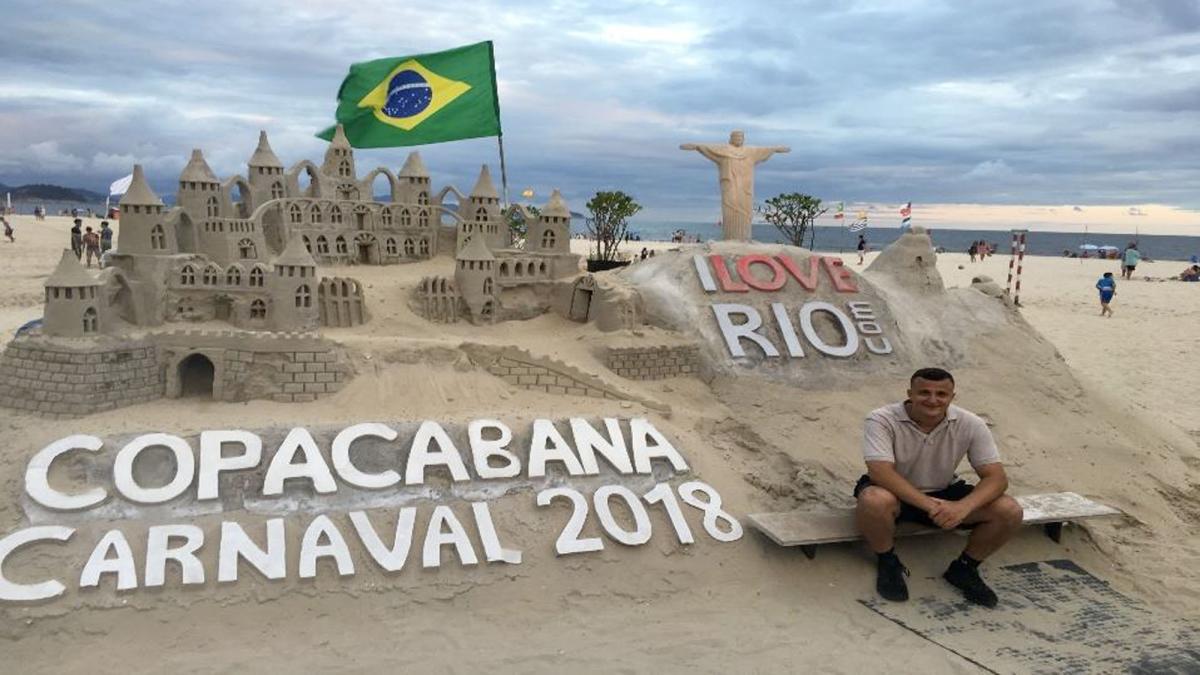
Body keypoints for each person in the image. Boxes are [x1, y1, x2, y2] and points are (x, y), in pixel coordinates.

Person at [855, 368, 1023, 607]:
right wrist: (933, 506)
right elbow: (880, 471)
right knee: (874, 499)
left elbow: (996, 478)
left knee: (1009, 509)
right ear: (909, 394)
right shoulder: (881, 418)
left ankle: (965, 568)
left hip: (944, 489)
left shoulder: (970, 423)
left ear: (952, 397)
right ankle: (887, 561)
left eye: (941, 394)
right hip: (896, 491)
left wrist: (962, 508)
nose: (932, 400)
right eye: (924, 392)